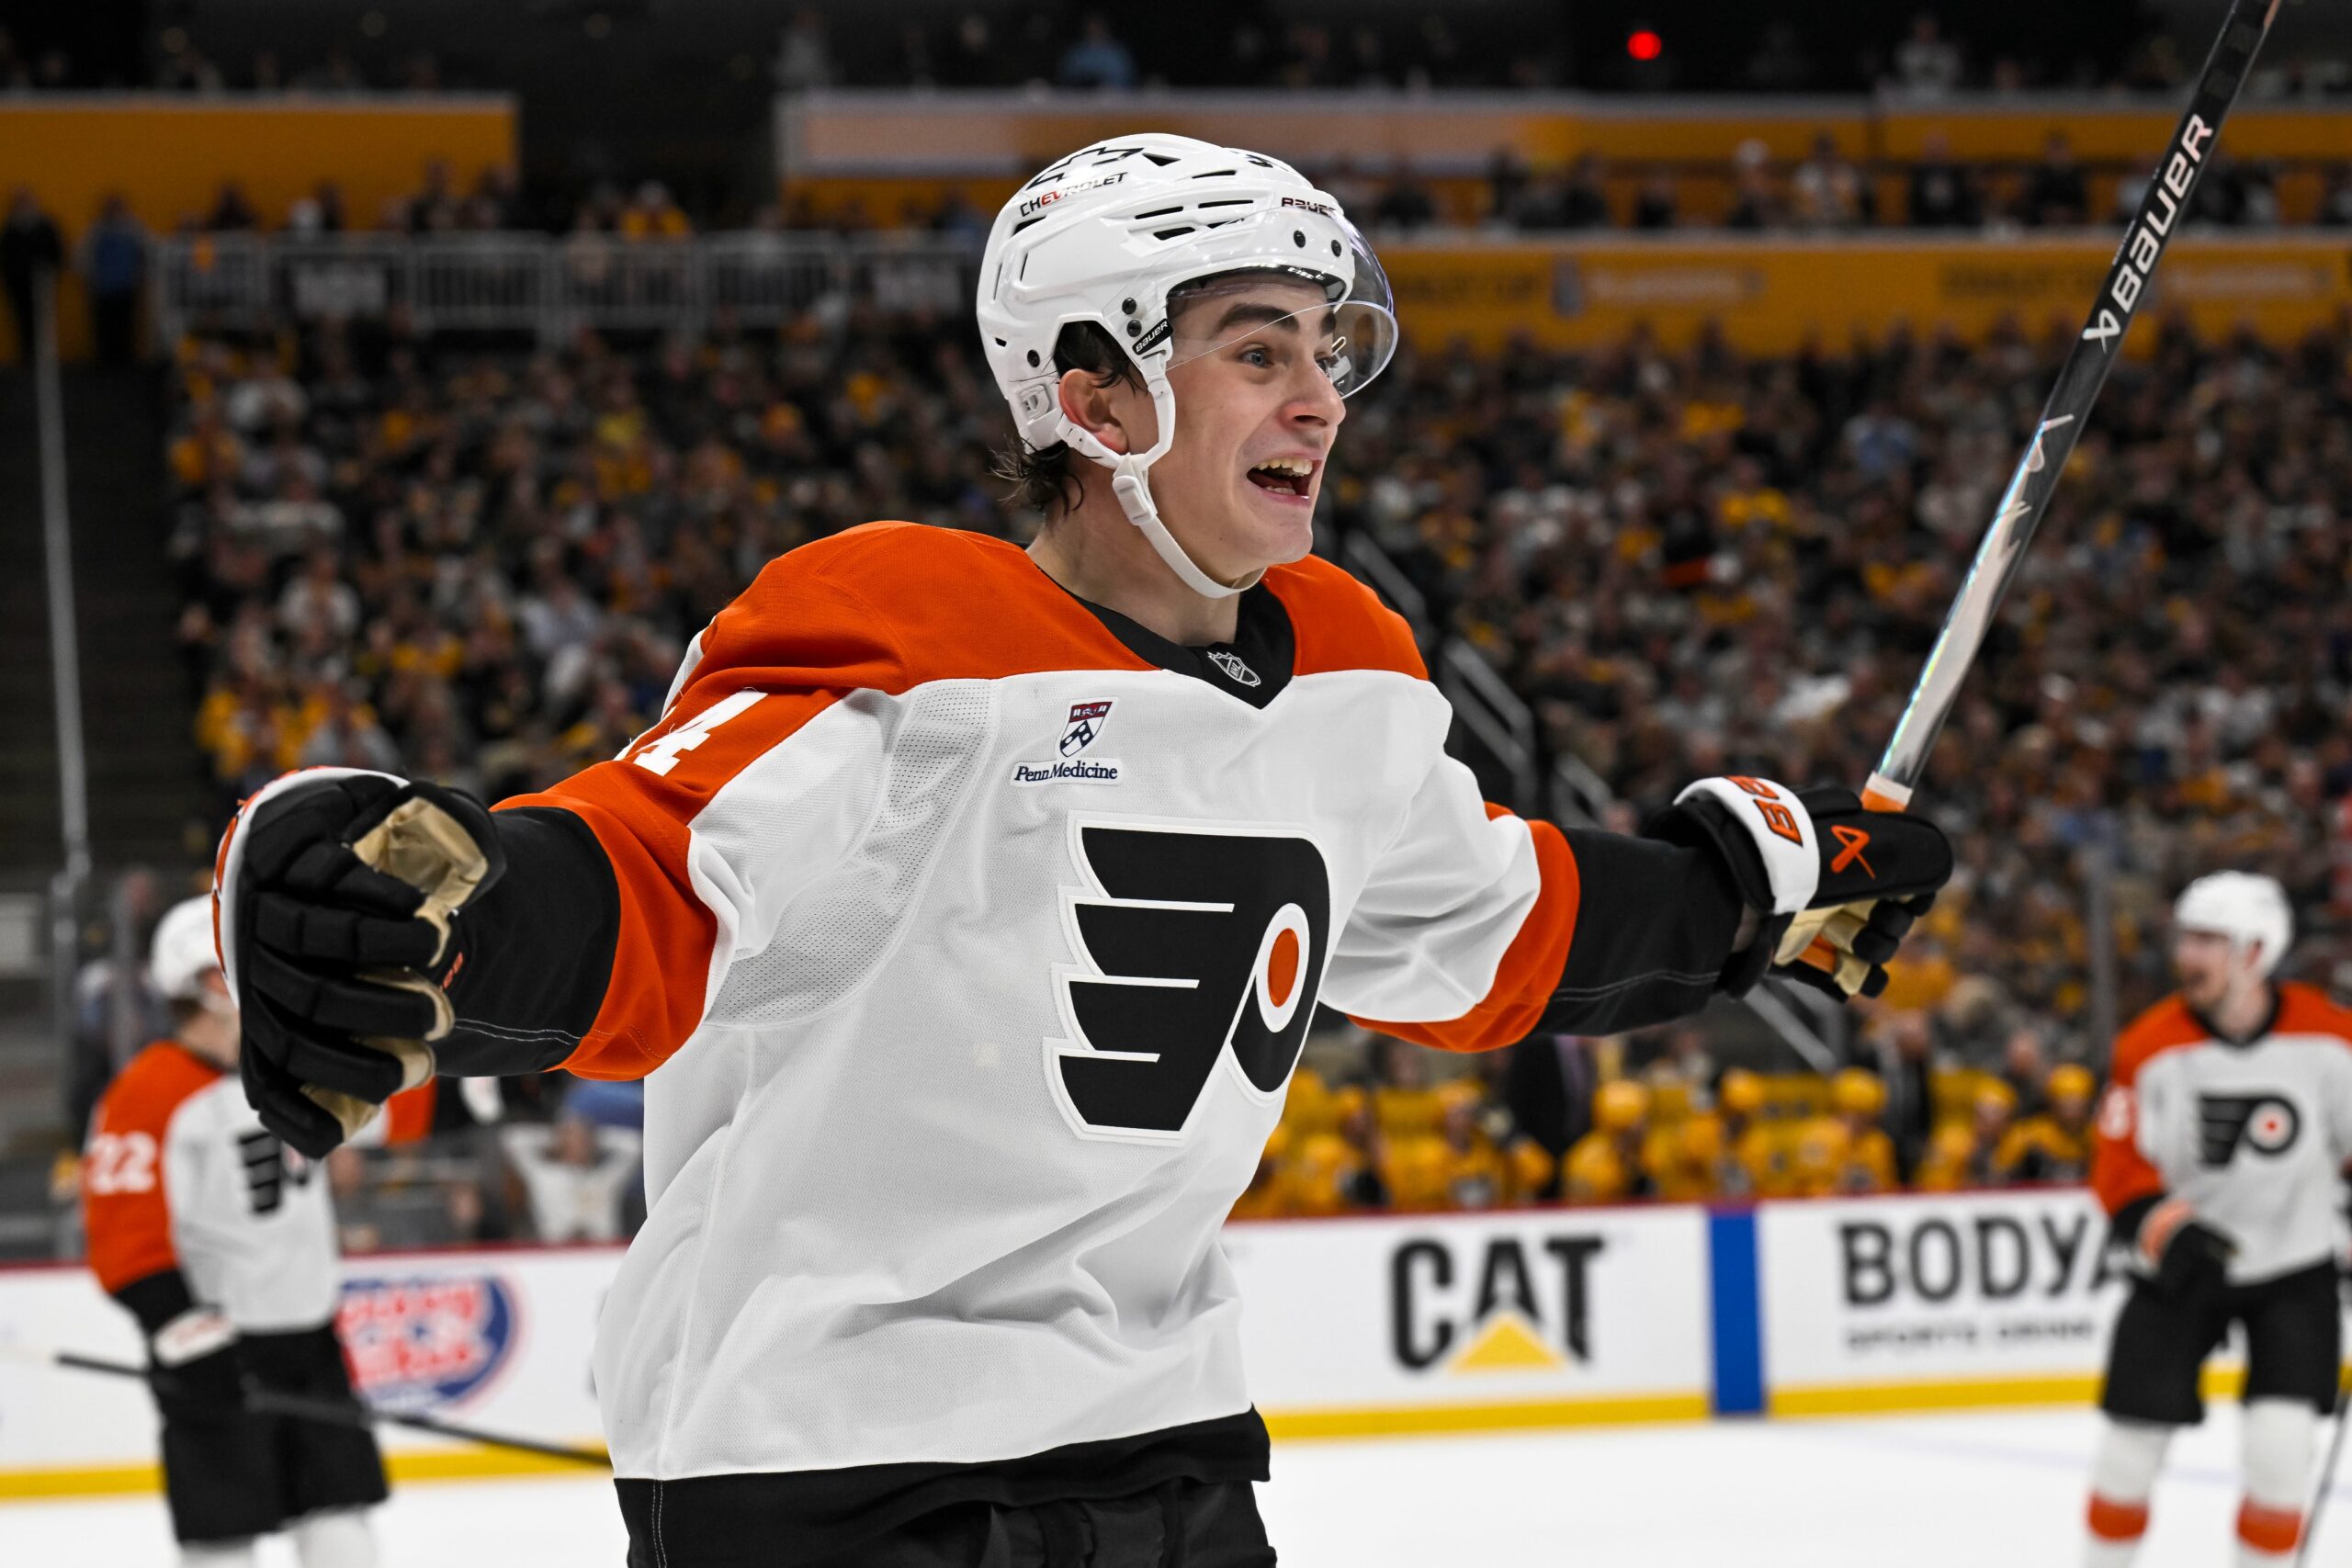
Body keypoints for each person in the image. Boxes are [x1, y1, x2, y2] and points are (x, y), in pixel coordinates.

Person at [213, 133, 1952, 1567]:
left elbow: (1491, 930)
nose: (1322, 399)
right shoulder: (914, 640)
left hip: (1167, 1437)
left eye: (1326, 349)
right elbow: (653, 876)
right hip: (835, 1461)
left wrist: (1749, 900)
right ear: (1096, 398)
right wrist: (413, 911)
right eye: (1259, 350)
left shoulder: (1345, 670)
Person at [81, 897, 388, 1568]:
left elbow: (397, 1105)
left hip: (310, 1337)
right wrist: (180, 1329)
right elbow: (122, 1233)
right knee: (223, 1532)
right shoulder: (148, 1092)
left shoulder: (291, 1069)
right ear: (207, 983)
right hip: (216, 1346)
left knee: (340, 1512)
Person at [2084, 873, 2352, 1568]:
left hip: (2294, 1269)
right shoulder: (2149, 1045)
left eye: (2208, 940)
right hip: (2180, 1269)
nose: (2187, 955)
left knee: (2281, 1455)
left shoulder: (2331, 1037)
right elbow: (2117, 1164)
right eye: (2186, 938)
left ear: (2255, 952)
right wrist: (2166, 1228)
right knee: (2126, 1456)